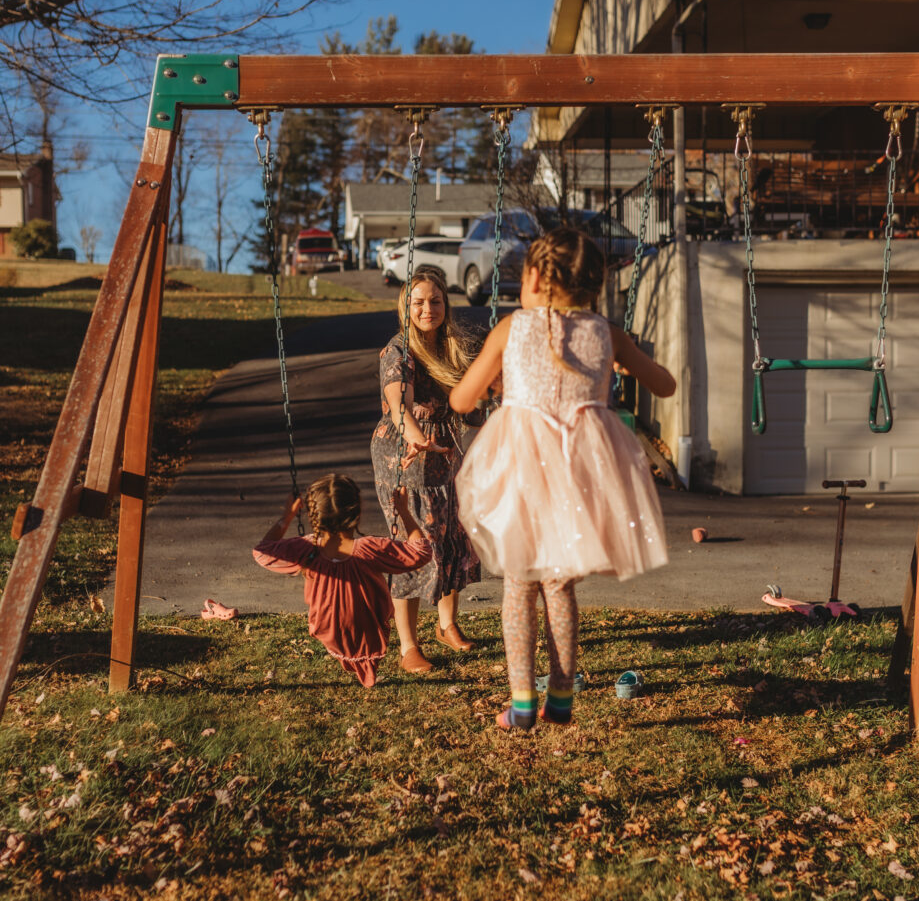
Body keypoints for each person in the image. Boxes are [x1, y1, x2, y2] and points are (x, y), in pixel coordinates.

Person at [449, 227, 676, 729]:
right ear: (593, 285)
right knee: (560, 586)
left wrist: (499, 389)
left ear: (532, 276)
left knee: (518, 586)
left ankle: (522, 700)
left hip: (521, 472)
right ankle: (563, 695)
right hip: (580, 474)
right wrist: (625, 359)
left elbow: (461, 401)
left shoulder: (511, 330)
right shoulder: (606, 333)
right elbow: (665, 384)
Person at [371, 267, 482, 674]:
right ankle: (407, 646)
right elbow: (399, 404)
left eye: (435, 300)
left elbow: (471, 401)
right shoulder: (398, 351)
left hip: (446, 454)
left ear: (445, 305)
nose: (427, 309)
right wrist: (417, 438)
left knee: (452, 535)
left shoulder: (452, 347)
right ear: (405, 307)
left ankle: (447, 624)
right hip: (405, 456)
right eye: (418, 302)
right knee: (413, 547)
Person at [252, 474, 431, 688]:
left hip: (328, 629)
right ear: (356, 514)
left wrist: (287, 516)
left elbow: (262, 552)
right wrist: (404, 512)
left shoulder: (307, 550)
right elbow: (421, 551)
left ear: (314, 515)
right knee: (373, 613)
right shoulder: (370, 549)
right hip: (369, 629)